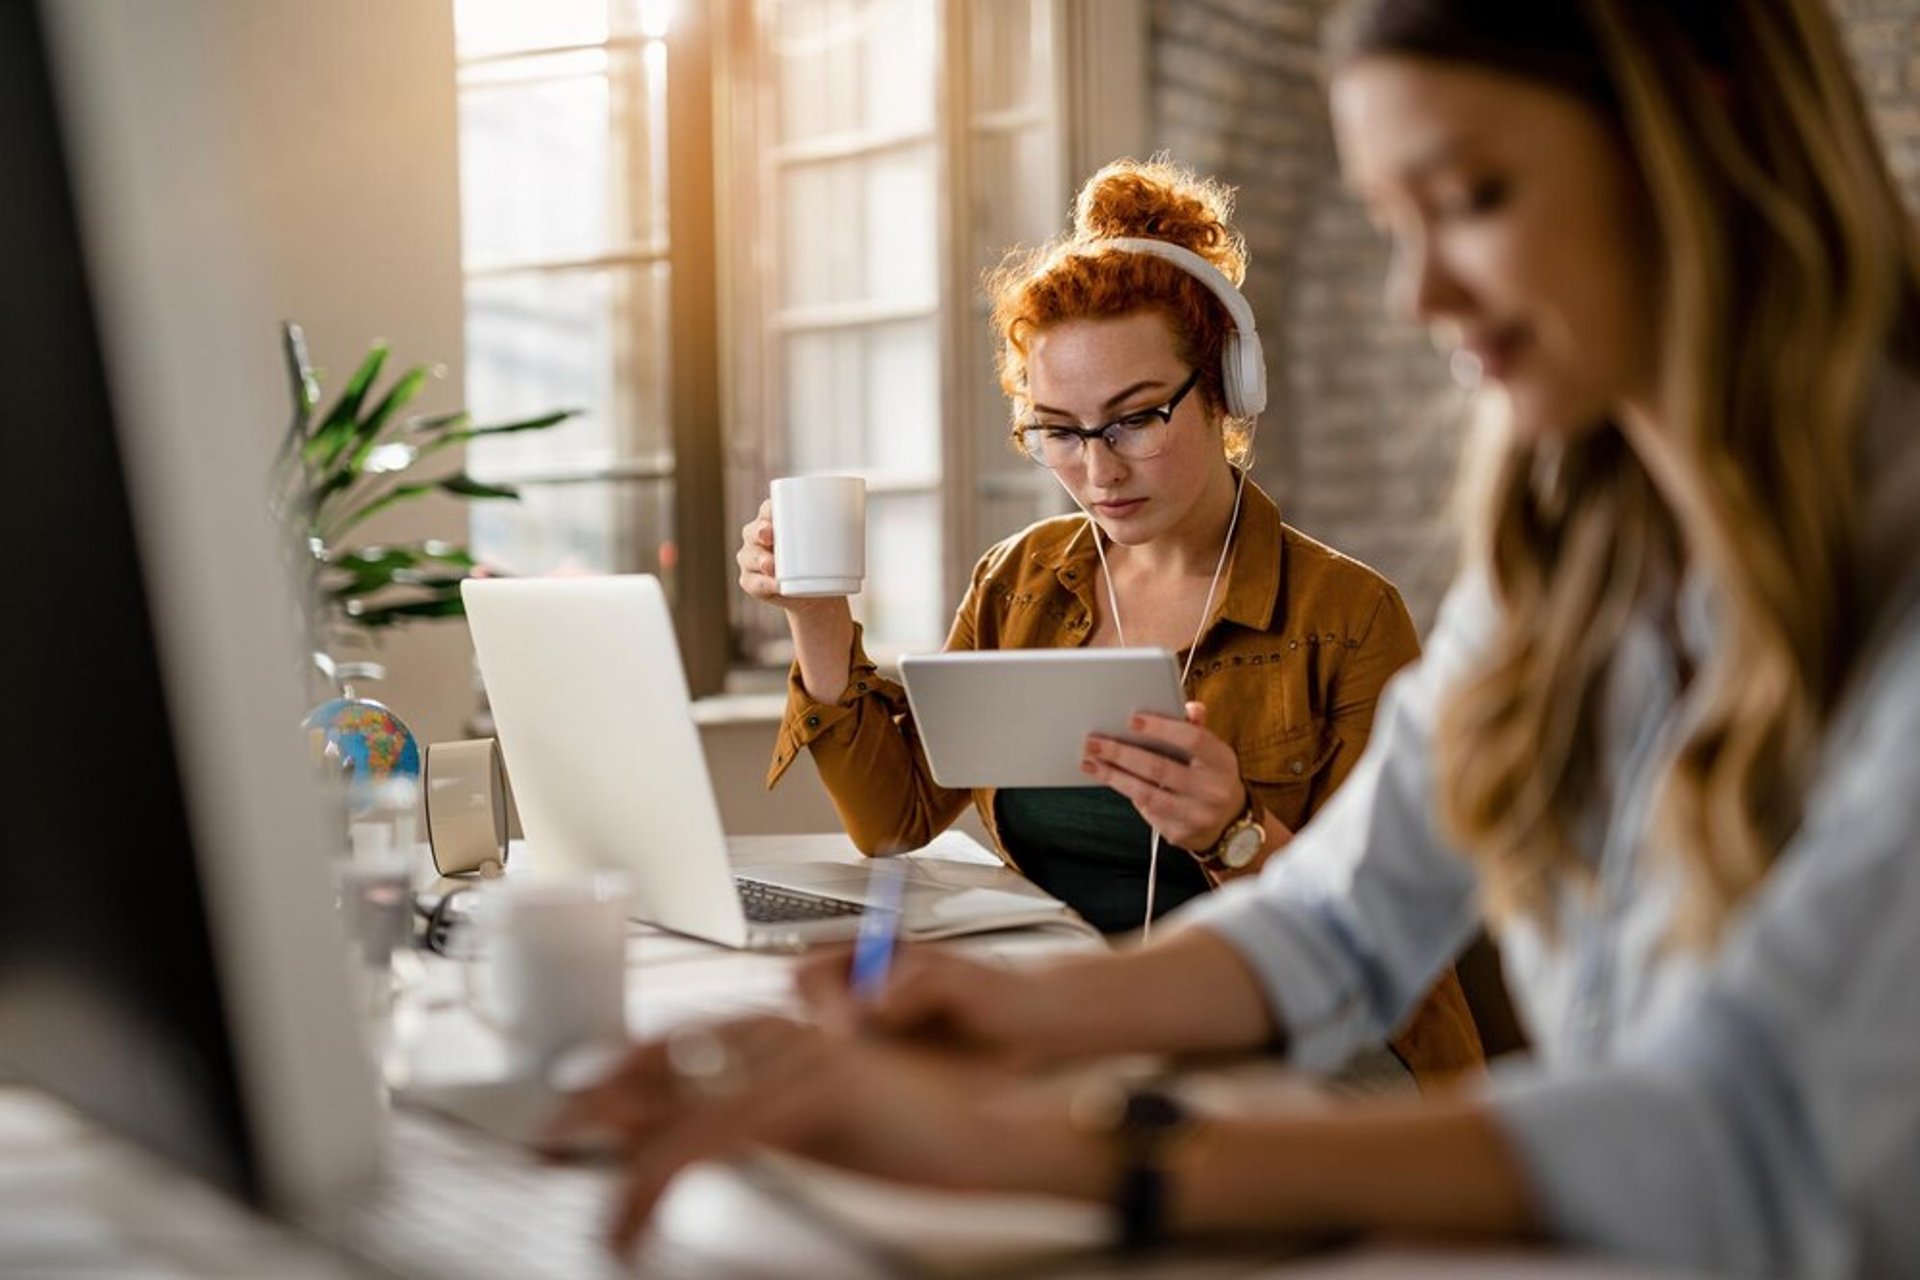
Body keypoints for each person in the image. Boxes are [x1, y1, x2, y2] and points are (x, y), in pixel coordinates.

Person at [562, 0, 1920, 1271]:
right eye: (1394, 223)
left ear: (1709, 126)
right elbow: (1344, 914)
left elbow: (1745, 1132)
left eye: (1474, 200)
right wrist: (999, 1012)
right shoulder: (1569, 552)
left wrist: (1046, 1145)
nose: (1417, 299)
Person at [740, 157, 1483, 1086]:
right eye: (1057, 429)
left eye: (1134, 420)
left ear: (1225, 391)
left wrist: (1233, 830)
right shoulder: (1020, 584)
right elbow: (894, 822)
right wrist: (816, 616)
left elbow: (1381, 931)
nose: (1097, 470)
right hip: (1079, 1022)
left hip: (1316, 1045)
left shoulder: (1348, 619)